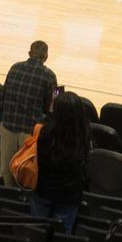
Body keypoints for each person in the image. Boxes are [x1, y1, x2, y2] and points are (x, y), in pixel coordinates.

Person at [27, 97, 88, 230]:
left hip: (42, 189)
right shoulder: (83, 136)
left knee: (38, 231)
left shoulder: (43, 130)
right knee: (61, 236)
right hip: (68, 195)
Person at [0, 40, 57, 176]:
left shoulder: (14, 67)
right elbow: (55, 106)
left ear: (29, 53)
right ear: (46, 57)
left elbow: (2, 96)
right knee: (25, 174)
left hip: (7, 126)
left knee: (6, 173)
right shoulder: (50, 75)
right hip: (30, 132)